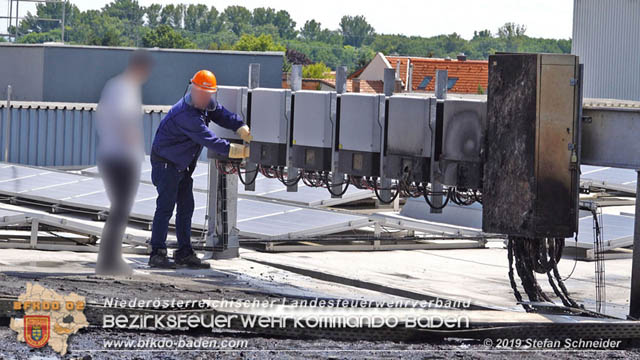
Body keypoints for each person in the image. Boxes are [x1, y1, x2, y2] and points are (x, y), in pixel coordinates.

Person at [148, 69, 251, 269]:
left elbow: (221, 114)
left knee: (186, 207)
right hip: (167, 164)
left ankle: (184, 252)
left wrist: (240, 126)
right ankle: (157, 253)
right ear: (193, 90)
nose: (206, 98)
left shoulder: (205, 104)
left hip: (181, 166)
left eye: (209, 94)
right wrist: (234, 150)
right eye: (203, 94)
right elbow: (208, 138)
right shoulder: (185, 115)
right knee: (165, 208)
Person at [95, 49, 153, 276]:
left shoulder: (114, 85)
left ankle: (109, 258)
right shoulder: (126, 88)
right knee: (120, 209)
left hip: (111, 153)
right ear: (140, 68)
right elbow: (124, 119)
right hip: (121, 157)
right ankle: (109, 261)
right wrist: (133, 142)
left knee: (118, 209)